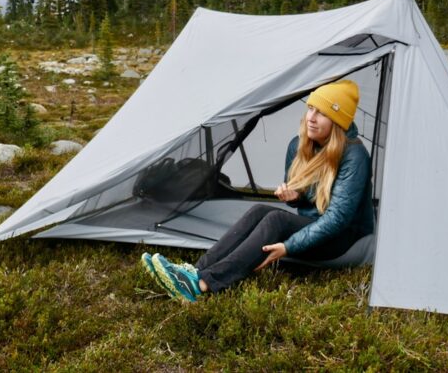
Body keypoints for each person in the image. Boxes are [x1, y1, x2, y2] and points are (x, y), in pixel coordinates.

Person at [141, 79, 375, 302]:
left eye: (322, 113)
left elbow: (338, 219)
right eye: (311, 108)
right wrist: (295, 196)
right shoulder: (300, 144)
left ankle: (203, 284)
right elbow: (304, 199)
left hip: (344, 237)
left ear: (337, 120)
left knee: (276, 221)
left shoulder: (354, 156)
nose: (311, 118)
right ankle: (195, 271)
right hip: (313, 224)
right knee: (259, 211)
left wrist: (288, 246)